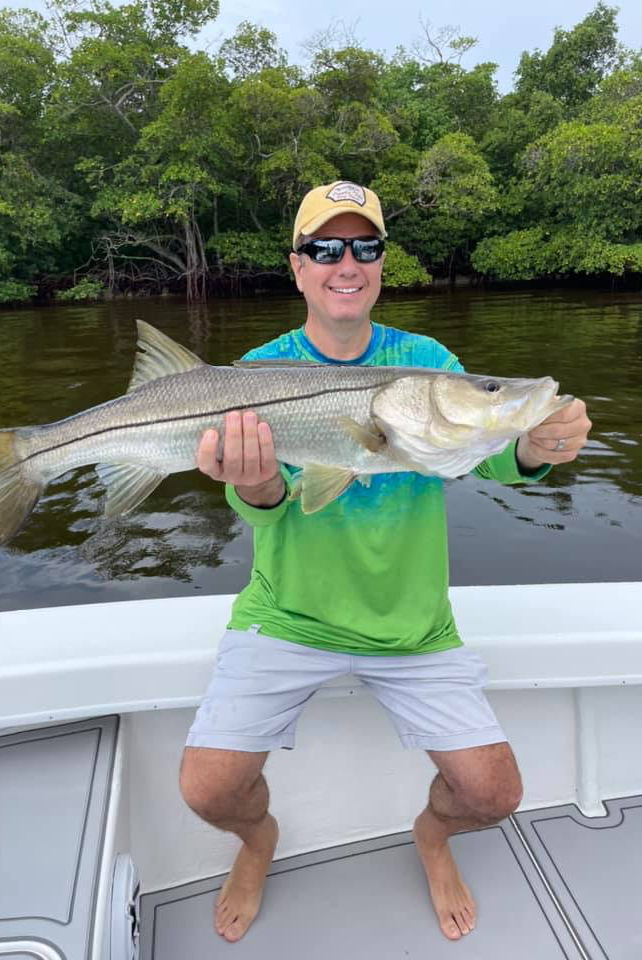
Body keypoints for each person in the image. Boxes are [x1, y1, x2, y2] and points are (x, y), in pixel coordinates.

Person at [180, 181, 593, 944]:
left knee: (493, 794)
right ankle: (257, 839)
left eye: (364, 247)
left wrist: (530, 447)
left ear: (379, 264)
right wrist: (261, 483)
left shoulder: (426, 362)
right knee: (207, 790)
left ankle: (431, 835)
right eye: (325, 248)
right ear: (297, 267)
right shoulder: (255, 372)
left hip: (413, 627)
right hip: (287, 614)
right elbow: (261, 504)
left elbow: (474, 454)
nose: (347, 262)